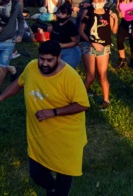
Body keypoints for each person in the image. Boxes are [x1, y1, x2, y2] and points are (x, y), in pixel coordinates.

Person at [0, 40, 90, 196]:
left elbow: (83, 105)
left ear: (59, 57)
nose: (44, 64)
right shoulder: (31, 67)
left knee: (64, 173)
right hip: (40, 135)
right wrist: (2, 97)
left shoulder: (70, 77)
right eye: (42, 59)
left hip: (66, 138)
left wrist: (53, 112)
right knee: (37, 174)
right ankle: (52, 188)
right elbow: (19, 83)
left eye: (49, 60)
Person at [80, 0, 118, 111]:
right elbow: (81, 31)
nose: (97, 3)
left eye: (99, 0)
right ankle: (81, 100)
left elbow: (114, 31)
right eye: (94, 0)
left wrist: (115, 19)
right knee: (90, 76)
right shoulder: (88, 13)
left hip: (104, 47)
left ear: (104, 0)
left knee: (102, 75)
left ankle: (106, 100)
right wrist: (92, 43)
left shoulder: (108, 13)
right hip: (89, 46)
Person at [0, 0, 25, 86]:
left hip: (8, 40)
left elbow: (21, 20)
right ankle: (13, 69)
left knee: (3, 66)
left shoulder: (16, 5)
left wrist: (20, 35)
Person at [46, 5, 81, 70]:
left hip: (69, 51)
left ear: (68, 15)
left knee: (66, 70)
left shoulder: (71, 27)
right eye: (58, 13)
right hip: (56, 49)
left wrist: (62, 45)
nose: (60, 15)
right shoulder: (55, 24)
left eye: (63, 13)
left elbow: (76, 42)